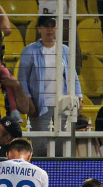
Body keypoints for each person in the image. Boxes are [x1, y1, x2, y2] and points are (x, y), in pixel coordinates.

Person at [17, 16, 82, 155]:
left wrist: (79, 97)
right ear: (39, 29)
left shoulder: (65, 50)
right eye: (46, 26)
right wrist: (29, 101)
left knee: (62, 145)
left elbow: (72, 76)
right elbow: (22, 80)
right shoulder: (29, 51)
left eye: (53, 26)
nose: (50, 29)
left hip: (62, 105)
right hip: (40, 105)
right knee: (40, 145)